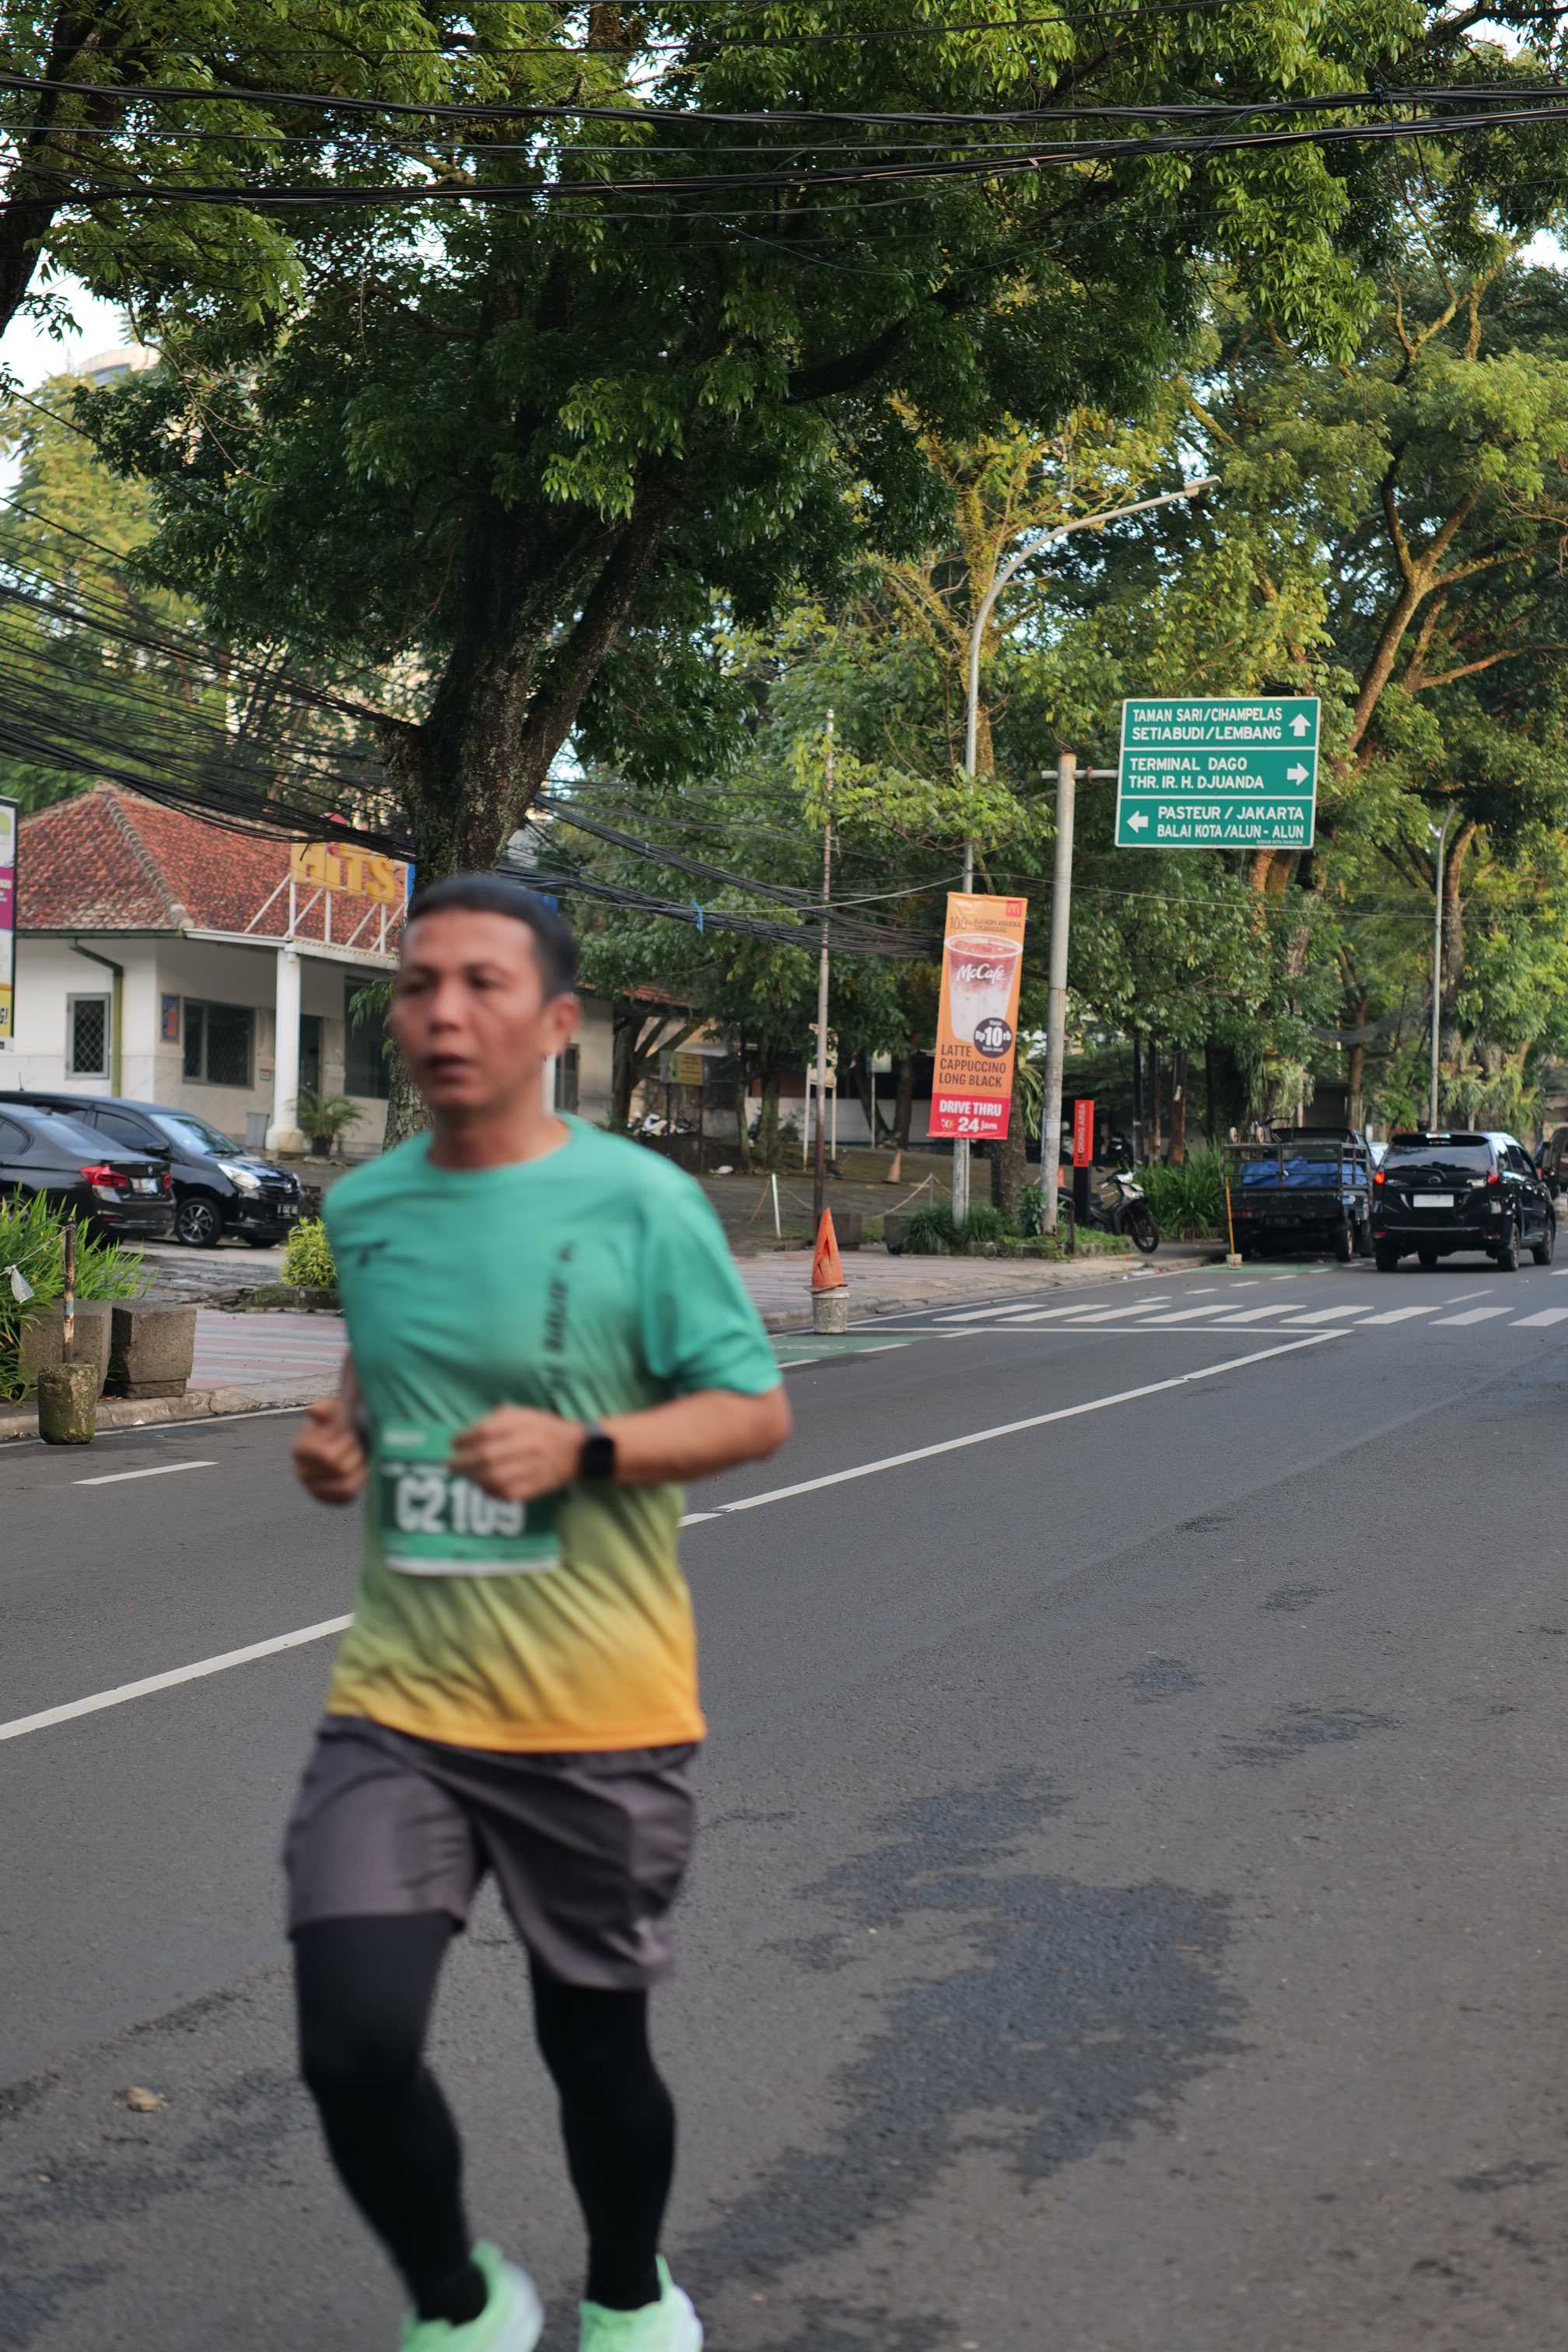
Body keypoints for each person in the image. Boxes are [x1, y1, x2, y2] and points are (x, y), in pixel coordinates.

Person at [287, 874, 791, 2352]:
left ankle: (629, 2293)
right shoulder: (366, 1210)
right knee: (353, 2042)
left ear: (558, 1025)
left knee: (594, 2049)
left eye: (483, 985)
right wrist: (339, 1448)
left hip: (599, 1713)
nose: (443, 1014)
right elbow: (378, 1386)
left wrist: (587, 1450)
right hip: (399, 1707)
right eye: (417, 985)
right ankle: (463, 2304)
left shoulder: (642, 1203)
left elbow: (753, 1410)